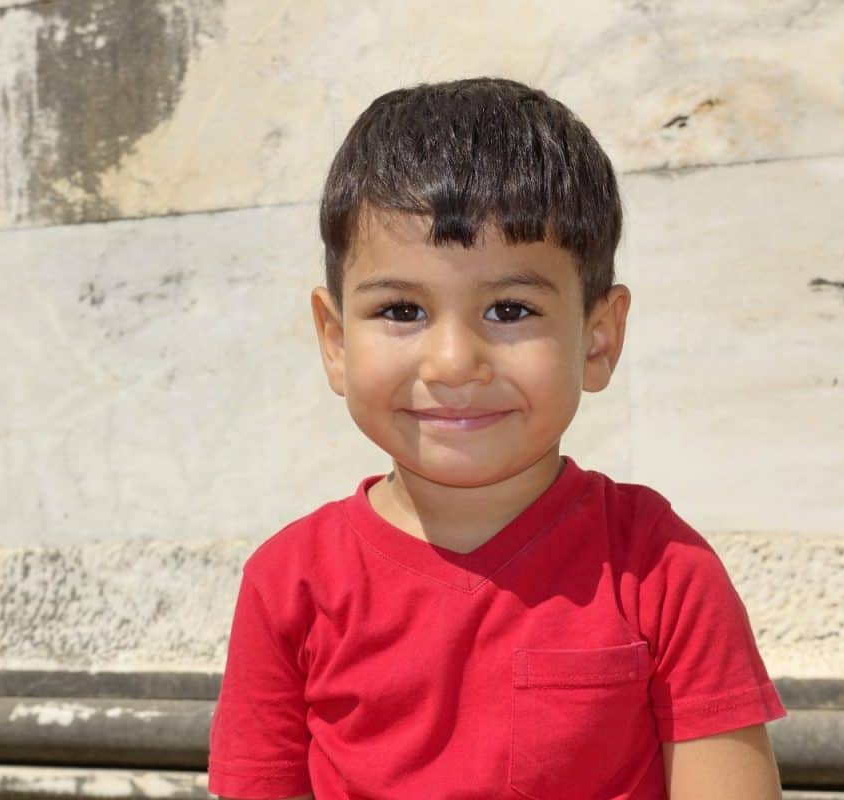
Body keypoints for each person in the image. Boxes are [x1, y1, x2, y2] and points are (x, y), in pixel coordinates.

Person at [207, 77, 786, 799]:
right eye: (401, 309)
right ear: (334, 341)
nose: (453, 364)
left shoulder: (663, 573)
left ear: (599, 338)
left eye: (510, 309)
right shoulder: (289, 585)